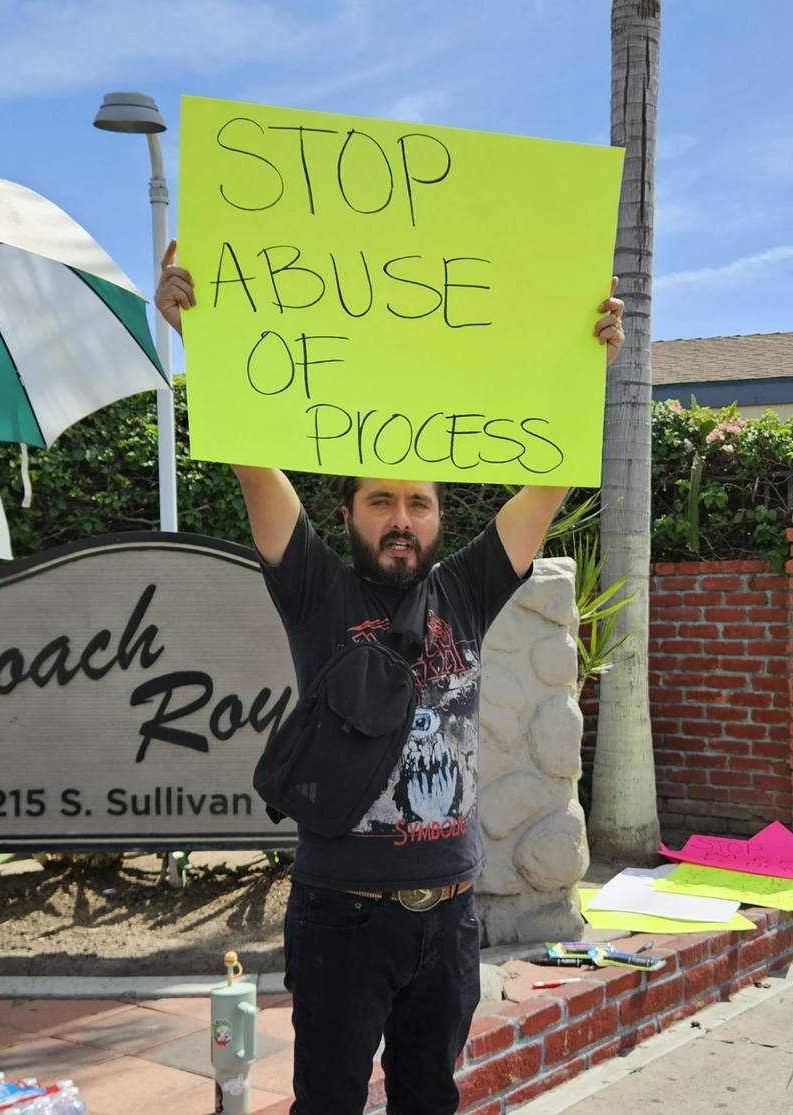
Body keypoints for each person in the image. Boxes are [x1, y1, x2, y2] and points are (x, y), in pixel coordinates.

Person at [155, 244, 624, 1115]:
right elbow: (253, 461)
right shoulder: (315, 589)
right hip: (343, 916)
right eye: (380, 501)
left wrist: (586, 365)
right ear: (348, 513)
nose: (400, 519)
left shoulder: (468, 590)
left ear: (441, 517)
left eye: (418, 502)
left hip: (450, 916)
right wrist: (201, 344)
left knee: (429, 1101)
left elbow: (548, 483)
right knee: (327, 1104)